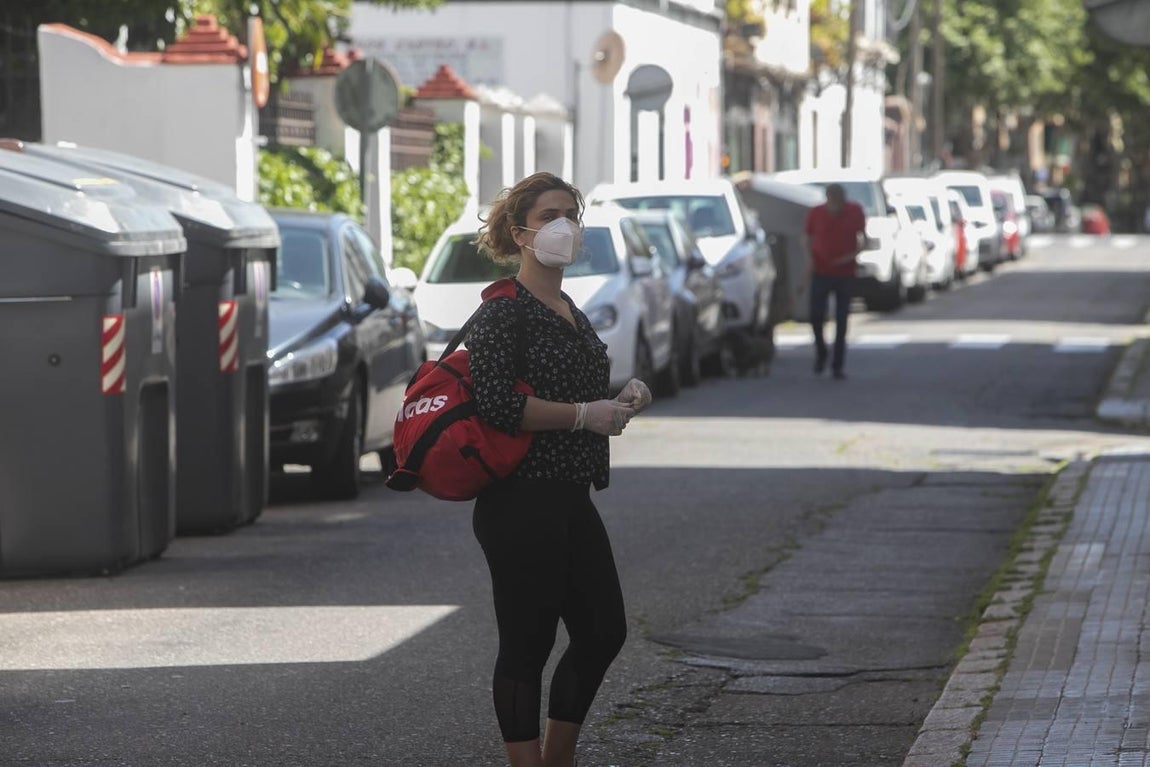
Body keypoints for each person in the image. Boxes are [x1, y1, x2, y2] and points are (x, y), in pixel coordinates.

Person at [466, 171, 653, 767]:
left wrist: (620, 400)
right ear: (520, 233)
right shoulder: (503, 311)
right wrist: (581, 415)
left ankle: (558, 757)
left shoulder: (569, 307)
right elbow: (496, 405)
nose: (563, 226)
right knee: (527, 645)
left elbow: (575, 395)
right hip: (519, 500)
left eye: (571, 214)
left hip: (571, 496)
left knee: (603, 631)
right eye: (549, 216)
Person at [802, 183, 866, 380]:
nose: (836, 207)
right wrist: (810, 260)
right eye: (833, 202)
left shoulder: (855, 211)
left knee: (841, 317)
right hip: (821, 271)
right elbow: (807, 237)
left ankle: (837, 364)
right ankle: (821, 352)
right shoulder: (816, 213)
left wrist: (850, 257)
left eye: (839, 202)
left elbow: (863, 240)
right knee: (816, 315)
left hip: (845, 273)